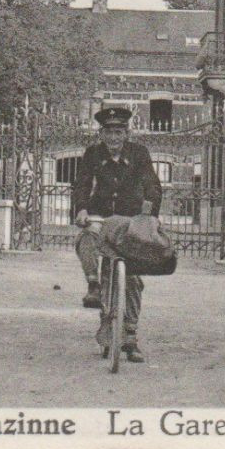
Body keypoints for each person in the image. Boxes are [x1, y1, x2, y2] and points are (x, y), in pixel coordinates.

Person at [71, 105, 162, 362]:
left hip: (131, 220)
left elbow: (152, 186)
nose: (114, 138)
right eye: (109, 132)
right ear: (101, 134)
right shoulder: (92, 154)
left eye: (119, 132)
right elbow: (82, 185)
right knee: (85, 238)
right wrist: (81, 209)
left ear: (127, 133)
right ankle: (93, 285)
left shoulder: (139, 154)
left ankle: (130, 337)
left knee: (132, 278)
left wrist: (149, 213)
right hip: (102, 217)